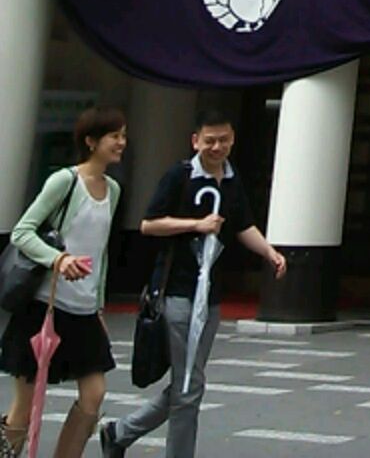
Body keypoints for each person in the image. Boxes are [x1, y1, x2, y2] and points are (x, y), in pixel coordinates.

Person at [99, 105, 285, 458]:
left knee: (189, 381)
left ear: (233, 139)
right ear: (195, 140)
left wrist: (269, 252)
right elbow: (149, 224)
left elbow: (243, 224)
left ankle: (120, 432)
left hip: (210, 297)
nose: (217, 147)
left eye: (224, 140)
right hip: (176, 292)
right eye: (210, 140)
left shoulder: (232, 180)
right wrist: (195, 225)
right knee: (189, 384)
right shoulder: (179, 176)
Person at [1, 104, 127, 458]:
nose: (121, 142)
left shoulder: (113, 190)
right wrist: (59, 259)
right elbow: (22, 232)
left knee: (94, 394)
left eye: (123, 136)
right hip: (44, 305)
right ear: (91, 141)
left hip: (84, 310)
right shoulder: (65, 181)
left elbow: (100, 253)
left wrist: (98, 305)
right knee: (26, 404)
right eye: (114, 136)